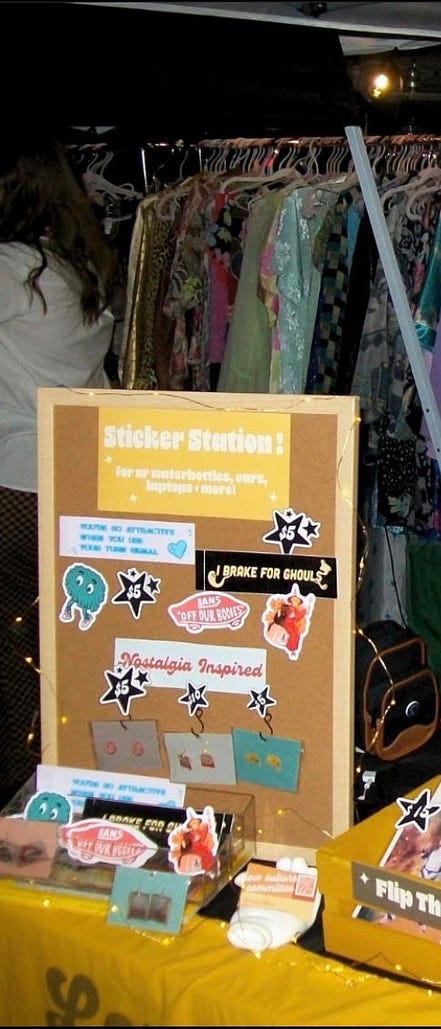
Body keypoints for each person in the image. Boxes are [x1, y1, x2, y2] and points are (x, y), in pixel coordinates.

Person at [0, 135, 120, 805]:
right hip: (73, 487)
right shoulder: (77, 271)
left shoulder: (8, 268)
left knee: (13, 659)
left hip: (10, 482)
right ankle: (66, 785)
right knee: (64, 653)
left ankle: (19, 802)